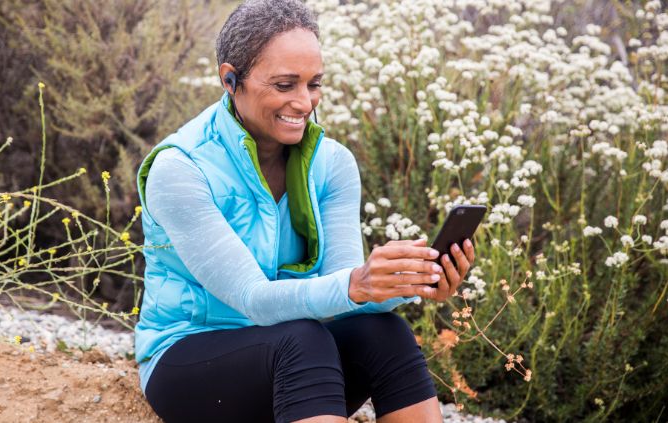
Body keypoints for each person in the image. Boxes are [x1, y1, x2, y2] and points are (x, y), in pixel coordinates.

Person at [134, 1, 475, 422]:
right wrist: (358, 283)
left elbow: (344, 293)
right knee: (303, 339)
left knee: (384, 332)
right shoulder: (180, 168)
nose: (304, 102)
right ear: (229, 79)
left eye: (314, 84)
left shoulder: (332, 163)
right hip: (190, 362)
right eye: (284, 85)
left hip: (294, 360)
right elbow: (253, 300)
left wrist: (408, 283)